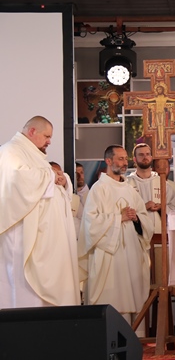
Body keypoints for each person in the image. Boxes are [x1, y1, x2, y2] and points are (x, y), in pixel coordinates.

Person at [0, 116, 81, 308]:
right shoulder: (10, 151)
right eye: (47, 136)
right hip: (23, 239)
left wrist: (63, 180)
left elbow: (48, 182)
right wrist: (50, 175)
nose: (49, 141)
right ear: (32, 131)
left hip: (46, 239)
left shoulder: (33, 155)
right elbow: (18, 181)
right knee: (26, 296)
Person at [78, 145, 154, 328]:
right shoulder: (99, 189)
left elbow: (144, 218)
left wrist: (136, 219)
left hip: (131, 252)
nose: (124, 162)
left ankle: (135, 338)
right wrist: (119, 218)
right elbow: (90, 223)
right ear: (108, 161)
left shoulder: (129, 189)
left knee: (132, 295)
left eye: (125, 158)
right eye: (120, 159)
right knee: (112, 298)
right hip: (109, 254)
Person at [127, 143, 175, 233]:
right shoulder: (127, 184)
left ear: (151, 157)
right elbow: (123, 211)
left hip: (159, 233)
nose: (145, 157)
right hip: (135, 234)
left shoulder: (162, 183)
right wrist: (144, 207)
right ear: (134, 159)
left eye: (147, 154)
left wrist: (162, 207)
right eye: (141, 155)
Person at [51, 161, 83, 237]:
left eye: (59, 173)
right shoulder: (44, 199)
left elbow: (83, 223)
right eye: (54, 174)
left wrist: (68, 222)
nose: (58, 177)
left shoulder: (75, 199)